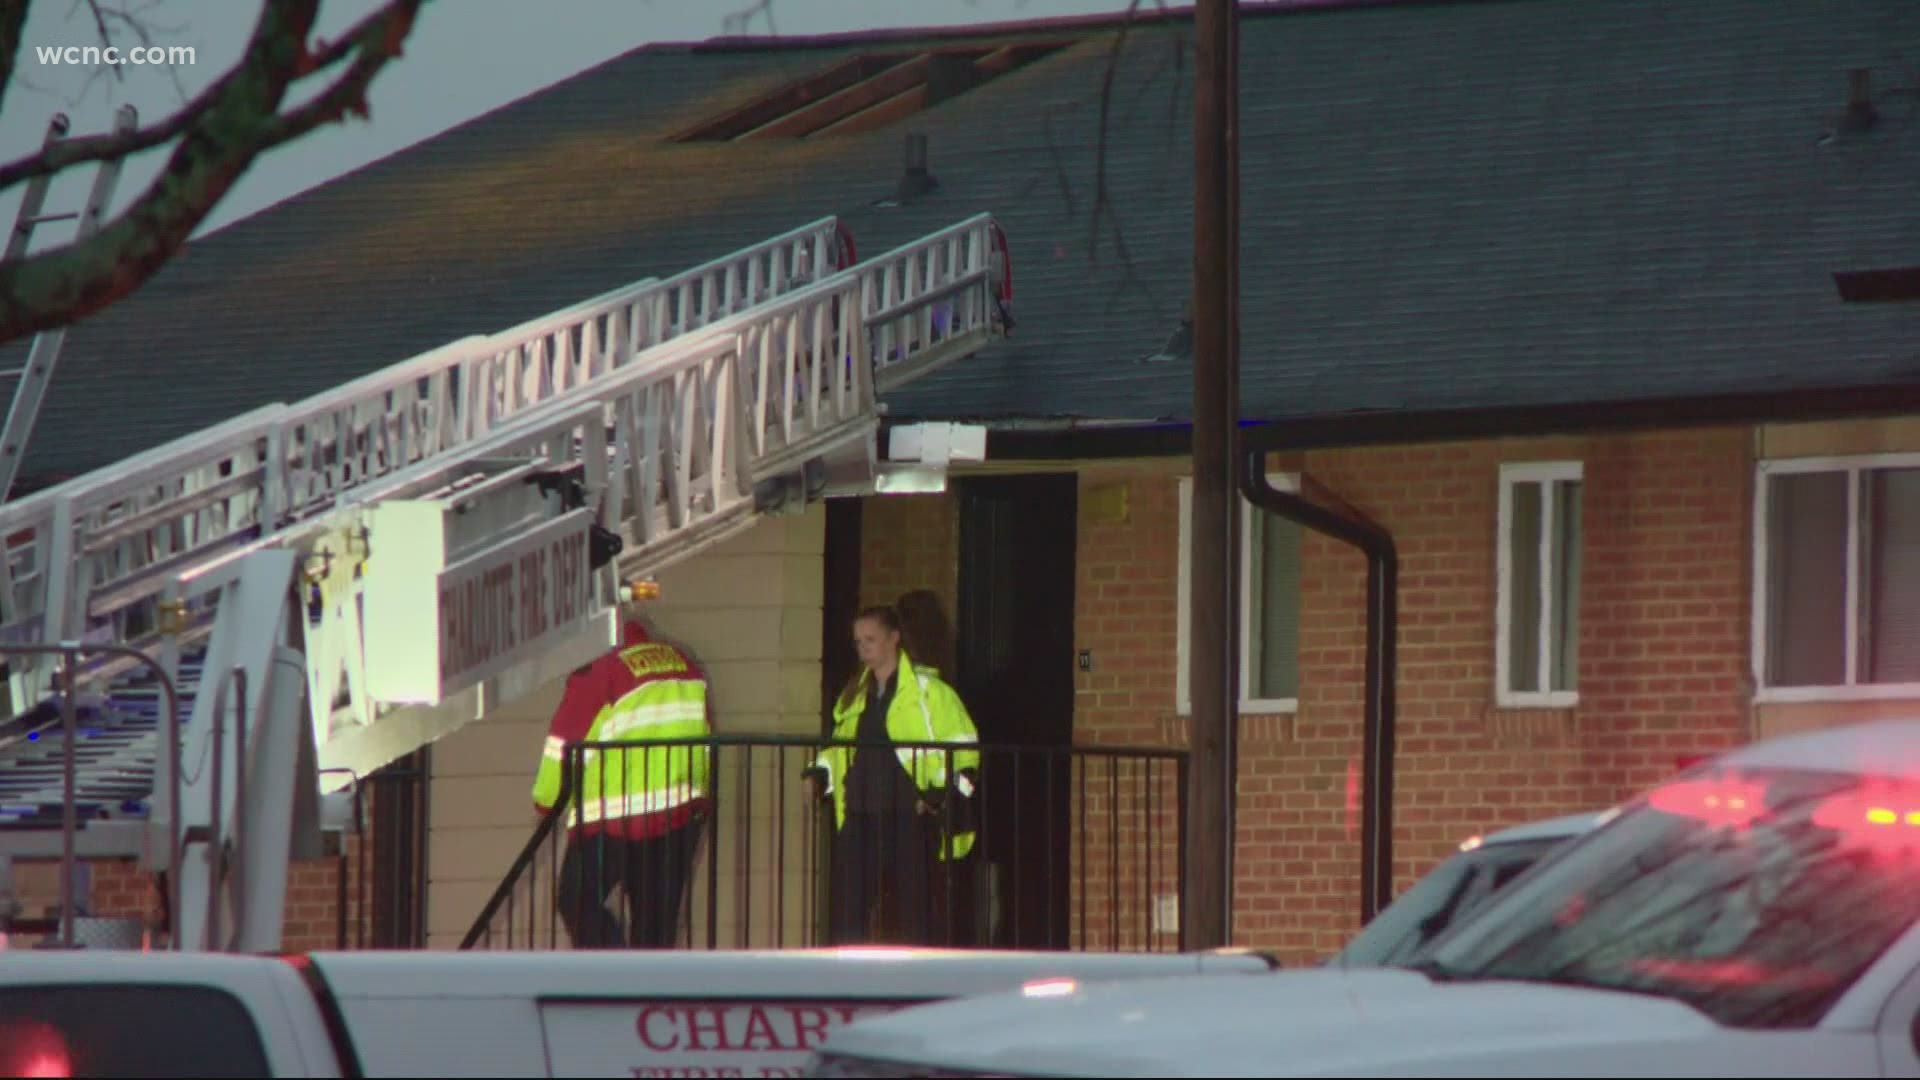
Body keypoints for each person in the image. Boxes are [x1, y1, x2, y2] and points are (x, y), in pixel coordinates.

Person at [805, 604, 980, 944]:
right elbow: (840, 748)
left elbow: (966, 754)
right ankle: (851, 986)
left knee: (917, 914)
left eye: (870, 639)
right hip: (860, 813)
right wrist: (817, 775)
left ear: (894, 639)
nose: (863, 648)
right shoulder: (854, 694)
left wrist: (938, 797)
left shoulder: (932, 694)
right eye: (858, 642)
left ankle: (920, 986)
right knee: (850, 911)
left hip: (909, 817)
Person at [532, 619, 711, 948]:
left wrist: (546, 800)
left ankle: (615, 975)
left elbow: (564, 747)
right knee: (656, 925)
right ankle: (646, 992)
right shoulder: (683, 664)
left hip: (613, 821)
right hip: (680, 815)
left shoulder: (600, 671)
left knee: (576, 902)